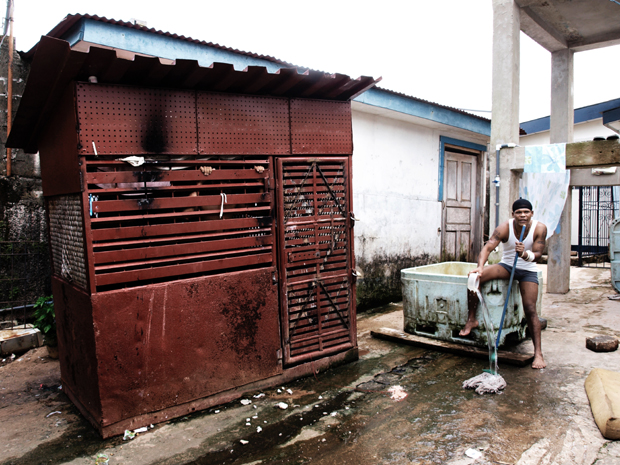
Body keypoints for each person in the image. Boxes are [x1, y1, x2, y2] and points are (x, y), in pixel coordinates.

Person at [459, 198, 547, 369]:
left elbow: (538, 254)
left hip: (528, 269)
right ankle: (471, 320)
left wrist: (524, 255)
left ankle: (538, 353)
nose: (522, 215)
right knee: (474, 279)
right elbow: (488, 247)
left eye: (526, 212)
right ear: (513, 214)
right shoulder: (505, 227)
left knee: (530, 308)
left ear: (532, 214)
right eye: (519, 212)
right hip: (507, 265)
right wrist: (480, 267)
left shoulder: (540, 228)